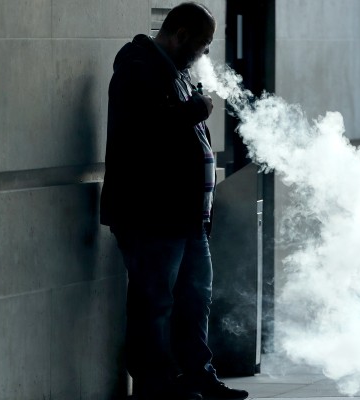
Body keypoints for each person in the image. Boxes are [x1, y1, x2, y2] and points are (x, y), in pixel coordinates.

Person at [100, 2, 249, 400]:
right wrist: (197, 109)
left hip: (186, 219)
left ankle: (197, 376)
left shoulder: (174, 73)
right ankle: (155, 385)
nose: (203, 53)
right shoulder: (138, 66)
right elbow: (147, 129)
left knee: (194, 301)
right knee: (155, 304)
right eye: (201, 44)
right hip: (152, 216)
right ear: (180, 35)